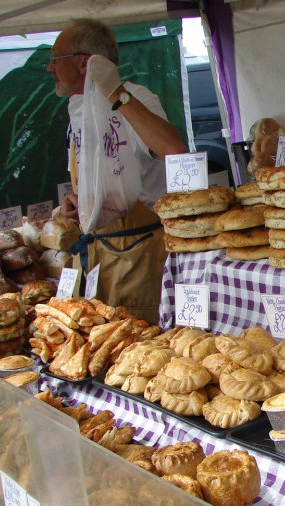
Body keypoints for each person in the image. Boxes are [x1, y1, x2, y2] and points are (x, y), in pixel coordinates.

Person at [47, 18, 186, 324]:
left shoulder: (135, 98)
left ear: (83, 63)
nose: (50, 68)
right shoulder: (77, 107)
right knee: (99, 338)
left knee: (138, 341)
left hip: (136, 255)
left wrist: (116, 94)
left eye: (56, 58)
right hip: (96, 253)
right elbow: (94, 174)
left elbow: (174, 150)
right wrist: (79, 201)